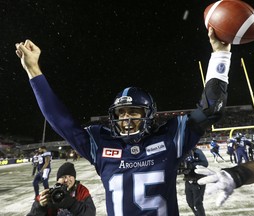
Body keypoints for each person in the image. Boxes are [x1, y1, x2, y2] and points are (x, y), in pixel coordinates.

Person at [16, 27, 231, 216]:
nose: (126, 117)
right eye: (121, 113)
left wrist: (221, 54)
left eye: (133, 112)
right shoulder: (100, 144)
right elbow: (60, 120)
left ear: (148, 115)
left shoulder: (170, 138)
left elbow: (211, 109)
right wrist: (33, 70)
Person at [27, 162, 96, 216]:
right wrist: (40, 206)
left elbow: (90, 213)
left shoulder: (81, 191)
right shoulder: (49, 194)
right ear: (57, 180)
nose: (66, 180)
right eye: (63, 177)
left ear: (74, 178)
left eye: (70, 176)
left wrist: (71, 204)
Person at [178, 147, 208, 216]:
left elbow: (205, 163)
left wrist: (192, 165)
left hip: (198, 180)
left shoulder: (196, 151)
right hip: (188, 180)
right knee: (190, 203)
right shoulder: (181, 153)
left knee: (197, 203)